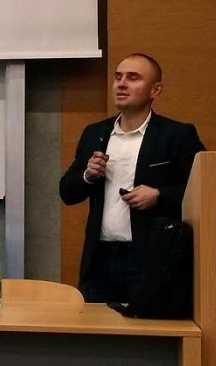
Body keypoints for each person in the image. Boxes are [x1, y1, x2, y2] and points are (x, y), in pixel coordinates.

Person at [59, 53, 204, 303]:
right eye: (118, 77)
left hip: (150, 260)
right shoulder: (95, 133)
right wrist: (88, 176)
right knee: (96, 326)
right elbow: (67, 192)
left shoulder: (177, 135)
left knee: (146, 326)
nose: (121, 84)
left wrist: (158, 195)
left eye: (133, 78)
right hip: (100, 261)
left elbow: (203, 188)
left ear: (155, 90)